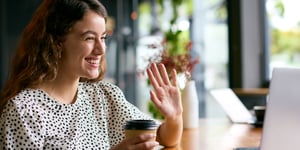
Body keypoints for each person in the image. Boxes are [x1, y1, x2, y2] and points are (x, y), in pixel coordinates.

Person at [0, 0, 183, 149]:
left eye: (103, 37)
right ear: (56, 42)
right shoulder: (24, 111)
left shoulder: (103, 96)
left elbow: (162, 137)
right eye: (89, 38)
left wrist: (174, 117)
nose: (101, 49)